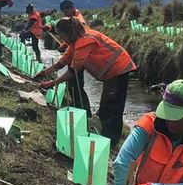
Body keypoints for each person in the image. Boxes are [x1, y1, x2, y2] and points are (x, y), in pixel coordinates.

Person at [35, 17, 135, 145]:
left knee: (112, 107)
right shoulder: (76, 41)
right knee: (106, 106)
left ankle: (111, 142)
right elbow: (63, 62)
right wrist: (44, 73)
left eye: (62, 36)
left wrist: (52, 83)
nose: (62, 40)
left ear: (69, 33)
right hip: (111, 72)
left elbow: (73, 71)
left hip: (118, 69)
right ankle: (106, 138)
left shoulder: (84, 42)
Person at [44, 0, 91, 115]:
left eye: (65, 11)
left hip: (80, 54)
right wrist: (65, 44)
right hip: (77, 51)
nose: (65, 14)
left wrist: (53, 82)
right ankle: (79, 108)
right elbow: (73, 37)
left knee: (76, 83)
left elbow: (78, 38)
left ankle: (84, 112)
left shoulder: (79, 21)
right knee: (72, 84)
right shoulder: (73, 20)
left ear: (71, 8)